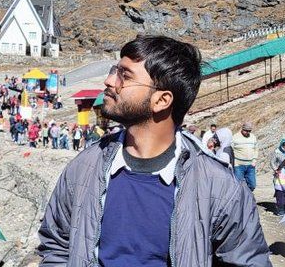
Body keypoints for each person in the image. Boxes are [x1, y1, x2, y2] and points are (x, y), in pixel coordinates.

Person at [38, 35, 271, 266]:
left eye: (124, 76)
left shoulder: (220, 188)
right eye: (114, 71)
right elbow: (56, 246)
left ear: (161, 101)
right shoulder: (84, 167)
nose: (109, 81)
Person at [232, 122, 258, 191]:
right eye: (246, 131)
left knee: (252, 185)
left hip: (250, 165)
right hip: (239, 165)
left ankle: (247, 195)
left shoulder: (253, 137)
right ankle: (240, 196)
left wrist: (254, 160)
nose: (248, 132)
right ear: (242, 129)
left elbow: (256, 149)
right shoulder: (235, 137)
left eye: (249, 131)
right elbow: (231, 150)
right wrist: (234, 163)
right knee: (238, 185)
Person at [270, 139, 285, 215]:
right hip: (279, 175)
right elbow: (272, 162)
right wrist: (276, 170)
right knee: (280, 192)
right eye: (284, 145)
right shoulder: (277, 153)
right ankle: (280, 209)